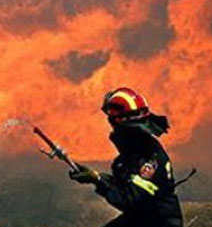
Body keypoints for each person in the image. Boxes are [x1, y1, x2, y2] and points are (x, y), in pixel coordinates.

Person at [69, 87, 184, 227]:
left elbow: (128, 200)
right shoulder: (136, 150)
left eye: (112, 120)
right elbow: (127, 185)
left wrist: (98, 181)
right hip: (143, 218)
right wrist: (95, 176)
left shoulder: (147, 158)